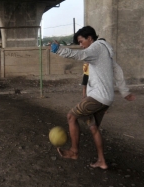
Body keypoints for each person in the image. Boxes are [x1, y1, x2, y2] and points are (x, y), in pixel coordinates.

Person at [50, 26, 135, 169]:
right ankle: (102, 161)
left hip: (98, 97)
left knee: (71, 116)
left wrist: (58, 49)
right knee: (93, 128)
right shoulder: (106, 52)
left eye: (81, 41)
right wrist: (124, 92)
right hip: (106, 99)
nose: (81, 45)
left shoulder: (96, 47)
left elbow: (79, 55)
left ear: (90, 38)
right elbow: (118, 71)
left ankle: (74, 151)